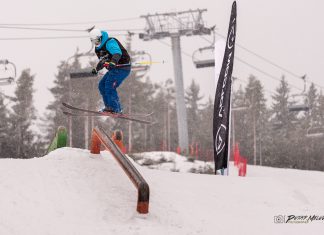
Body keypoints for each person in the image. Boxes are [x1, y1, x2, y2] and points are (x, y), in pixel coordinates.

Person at [89, 28, 131, 114]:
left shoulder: (109, 42)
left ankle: (116, 109)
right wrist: (96, 69)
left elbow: (117, 53)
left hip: (122, 67)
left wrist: (113, 61)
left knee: (109, 85)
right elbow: (103, 61)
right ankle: (109, 107)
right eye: (94, 42)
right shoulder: (98, 49)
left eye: (97, 40)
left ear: (101, 37)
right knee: (102, 85)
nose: (96, 43)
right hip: (114, 69)